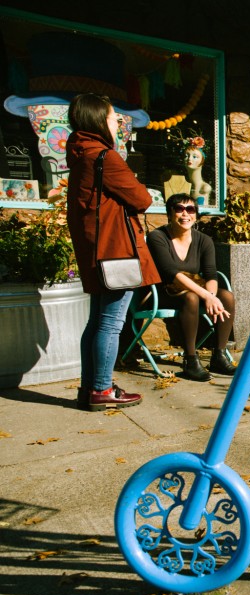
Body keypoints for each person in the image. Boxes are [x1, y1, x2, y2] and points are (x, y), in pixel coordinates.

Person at [65, 93, 161, 411]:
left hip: (97, 252)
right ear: (96, 119)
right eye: (111, 116)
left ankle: (90, 387)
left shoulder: (81, 153)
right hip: (117, 251)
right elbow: (142, 199)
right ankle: (103, 390)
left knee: (96, 322)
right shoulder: (104, 156)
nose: (117, 120)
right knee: (110, 323)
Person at [146, 193, 237, 381]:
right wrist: (207, 296)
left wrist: (211, 296)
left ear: (196, 214)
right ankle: (190, 359)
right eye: (179, 209)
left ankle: (218, 356)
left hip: (195, 289)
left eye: (190, 209)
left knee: (226, 296)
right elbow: (171, 273)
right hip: (162, 292)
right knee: (191, 297)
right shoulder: (157, 237)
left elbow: (211, 273)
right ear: (169, 213)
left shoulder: (204, 240)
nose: (185, 214)